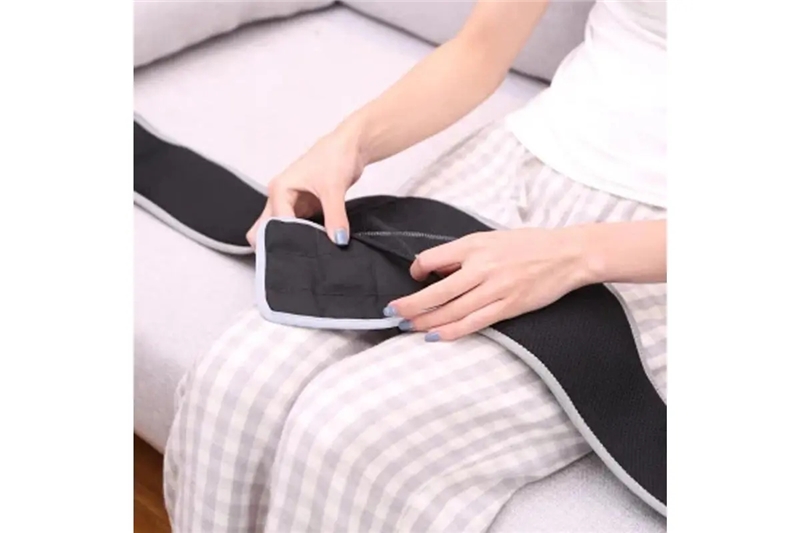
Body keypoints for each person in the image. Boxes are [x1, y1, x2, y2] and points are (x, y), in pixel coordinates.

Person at [164, 0, 667, 531]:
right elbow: (479, 49)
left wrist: (573, 254)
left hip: (647, 246)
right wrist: (348, 144)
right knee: (236, 381)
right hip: (514, 164)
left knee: (348, 431)